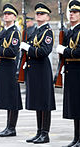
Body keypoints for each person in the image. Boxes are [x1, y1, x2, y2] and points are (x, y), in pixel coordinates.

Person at [19, 2, 55, 144]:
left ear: (48, 17)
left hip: (42, 69)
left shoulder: (47, 32)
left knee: (44, 101)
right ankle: (39, 131)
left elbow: (44, 51)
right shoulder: (35, 31)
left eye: (42, 14)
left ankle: (45, 134)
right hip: (34, 69)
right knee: (38, 101)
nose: (39, 15)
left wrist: (29, 48)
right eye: (37, 13)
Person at [0, 4, 22, 137]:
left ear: (14, 17)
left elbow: (11, 51)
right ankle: (8, 126)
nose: (6, 16)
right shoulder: (3, 31)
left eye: (9, 14)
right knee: (7, 98)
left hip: (10, 66)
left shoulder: (14, 32)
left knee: (12, 98)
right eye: (5, 14)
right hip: (2, 67)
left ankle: (12, 127)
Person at [56, 0, 80, 147]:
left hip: (78, 72)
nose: (71, 14)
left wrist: (64, 51)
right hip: (71, 72)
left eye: (75, 12)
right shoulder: (70, 31)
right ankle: (76, 137)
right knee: (75, 108)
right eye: (70, 12)